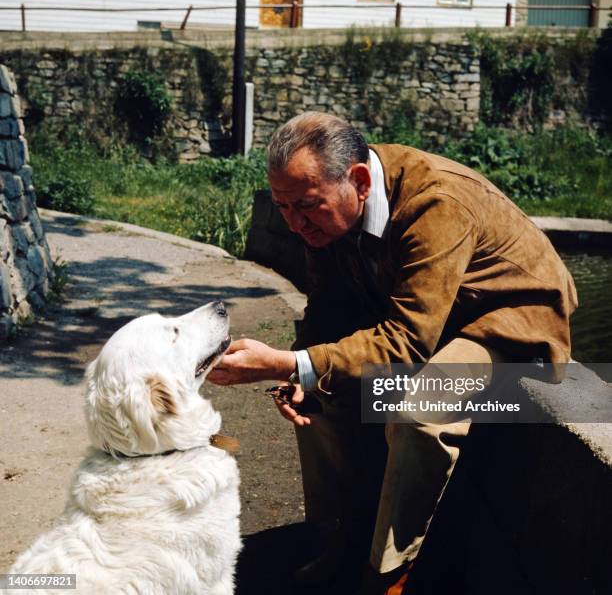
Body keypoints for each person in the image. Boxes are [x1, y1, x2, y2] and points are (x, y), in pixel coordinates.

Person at [208, 112, 577, 594]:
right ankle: (341, 536)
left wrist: (285, 361)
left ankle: (387, 573)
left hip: (506, 322)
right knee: (318, 395)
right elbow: (328, 307)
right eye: (283, 208)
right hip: (437, 317)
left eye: (306, 207)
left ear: (358, 181)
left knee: (420, 411)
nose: (296, 223)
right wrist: (300, 372)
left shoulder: (435, 202)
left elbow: (407, 342)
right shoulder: (326, 210)